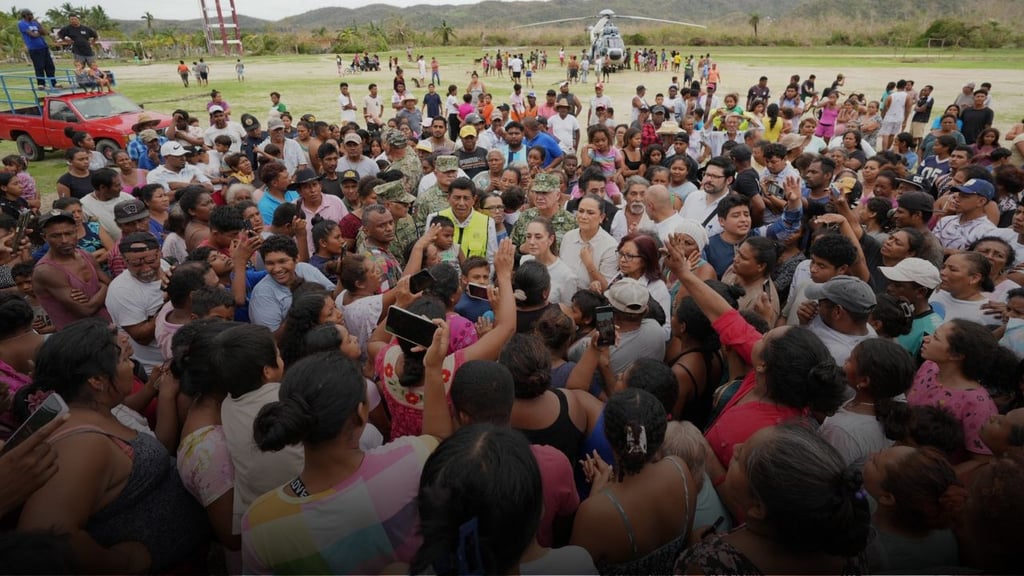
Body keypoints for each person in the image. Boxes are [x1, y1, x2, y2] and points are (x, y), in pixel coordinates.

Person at [18, 319, 208, 573]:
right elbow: (43, 533)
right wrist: (122, 563)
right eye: (124, 361)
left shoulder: (96, 411)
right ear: (97, 380)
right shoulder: (82, 443)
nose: (130, 365)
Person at [664, 233, 846, 468]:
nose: (759, 333)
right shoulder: (772, 367)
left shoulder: (773, 437)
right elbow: (722, 314)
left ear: (762, 364)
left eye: (766, 336)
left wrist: (708, 462)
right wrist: (685, 274)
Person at [675, 423, 870, 574]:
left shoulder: (706, 566)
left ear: (758, 507)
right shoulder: (846, 541)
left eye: (739, 458)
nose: (736, 447)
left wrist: (693, 545)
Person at [370, 240, 516, 438]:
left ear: (400, 334)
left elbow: (373, 341)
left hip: (401, 450)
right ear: (441, 334)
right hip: (443, 456)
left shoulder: (386, 359)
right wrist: (505, 275)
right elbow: (507, 327)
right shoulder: (449, 372)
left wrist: (400, 303)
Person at [572, 389, 696, 573]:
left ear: (607, 437)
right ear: (661, 436)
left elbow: (573, 569)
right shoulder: (680, 470)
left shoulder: (593, 514)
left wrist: (597, 496)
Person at [908, 319, 1006, 464]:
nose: (925, 339)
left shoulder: (977, 404)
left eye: (935, 337)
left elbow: (982, 461)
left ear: (956, 355)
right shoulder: (929, 367)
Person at [862, 445, 965, 572]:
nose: (871, 454)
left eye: (874, 462)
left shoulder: (870, 552)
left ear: (887, 497)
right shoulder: (939, 520)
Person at [819, 339, 915, 466]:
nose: (845, 361)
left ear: (864, 381)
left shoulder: (841, 431)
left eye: (850, 360)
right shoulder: (894, 399)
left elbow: (824, 468)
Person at [32, 209, 111, 329]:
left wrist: (104, 288)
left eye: (69, 233)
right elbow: (86, 310)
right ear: (44, 237)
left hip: (107, 329)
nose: (64, 240)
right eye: (56, 236)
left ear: (76, 232)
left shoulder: (86, 255)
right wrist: (103, 287)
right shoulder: (46, 271)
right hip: (79, 340)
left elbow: (111, 286)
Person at [519, 217, 578, 306]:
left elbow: (568, 311)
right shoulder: (524, 261)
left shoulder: (566, 275)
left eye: (538, 237)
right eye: (528, 236)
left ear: (550, 239)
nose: (531, 242)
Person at [18, 10, 56, 89]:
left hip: (43, 47)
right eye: (30, 14)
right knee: (39, 66)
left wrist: (39, 24)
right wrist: (39, 33)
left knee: (50, 66)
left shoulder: (34, 23)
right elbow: (33, 35)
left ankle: (53, 83)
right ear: (25, 15)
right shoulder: (22, 24)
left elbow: (44, 32)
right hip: (34, 48)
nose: (32, 16)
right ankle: (41, 84)